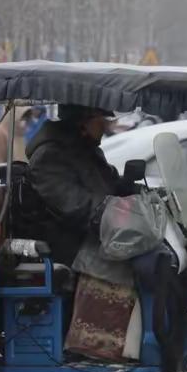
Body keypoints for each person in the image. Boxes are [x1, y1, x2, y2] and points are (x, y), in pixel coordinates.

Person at [26, 104, 141, 267]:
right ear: (82, 121)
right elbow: (77, 207)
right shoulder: (48, 157)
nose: (105, 124)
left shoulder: (88, 150)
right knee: (146, 265)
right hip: (74, 246)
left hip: (104, 235)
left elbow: (111, 184)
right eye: (101, 118)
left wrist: (135, 190)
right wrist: (119, 215)